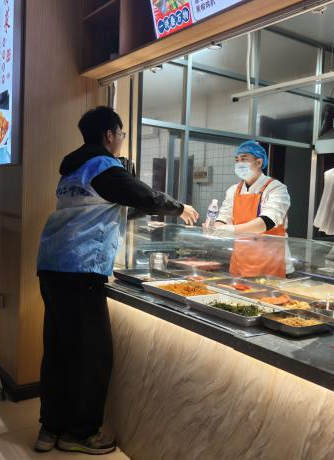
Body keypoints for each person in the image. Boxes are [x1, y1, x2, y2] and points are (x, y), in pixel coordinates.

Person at [35, 106, 199, 454]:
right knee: (92, 355)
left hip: (52, 266)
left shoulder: (73, 169)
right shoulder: (102, 166)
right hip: (80, 269)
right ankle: (81, 433)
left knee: (59, 351)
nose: (122, 140)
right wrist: (179, 208)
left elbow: (111, 203)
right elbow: (143, 195)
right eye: (121, 134)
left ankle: (50, 427)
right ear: (109, 135)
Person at [214, 140, 293, 277]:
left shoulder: (276, 188)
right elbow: (224, 216)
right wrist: (216, 226)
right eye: (237, 160)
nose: (239, 163)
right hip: (241, 261)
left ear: (259, 162)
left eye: (244, 159)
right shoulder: (233, 190)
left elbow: (267, 221)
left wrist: (231, 230)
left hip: (271, 261)